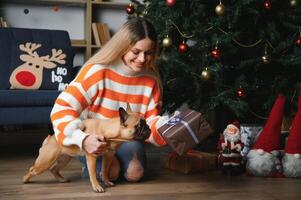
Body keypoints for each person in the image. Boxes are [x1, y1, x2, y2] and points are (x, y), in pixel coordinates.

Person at [50, 18, 169, 182]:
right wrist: (82, 139)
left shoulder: (151, 81)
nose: (142, 59)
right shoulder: (97, 71)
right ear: (123, 47)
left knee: (135, 173)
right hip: (96, 140)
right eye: (136, 52)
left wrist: (167, 128)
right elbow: (61, 109)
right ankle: (90, 162)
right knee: (111, 173)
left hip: (127, 139)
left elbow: (150, 122)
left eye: (148, 53)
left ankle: (112, 164)